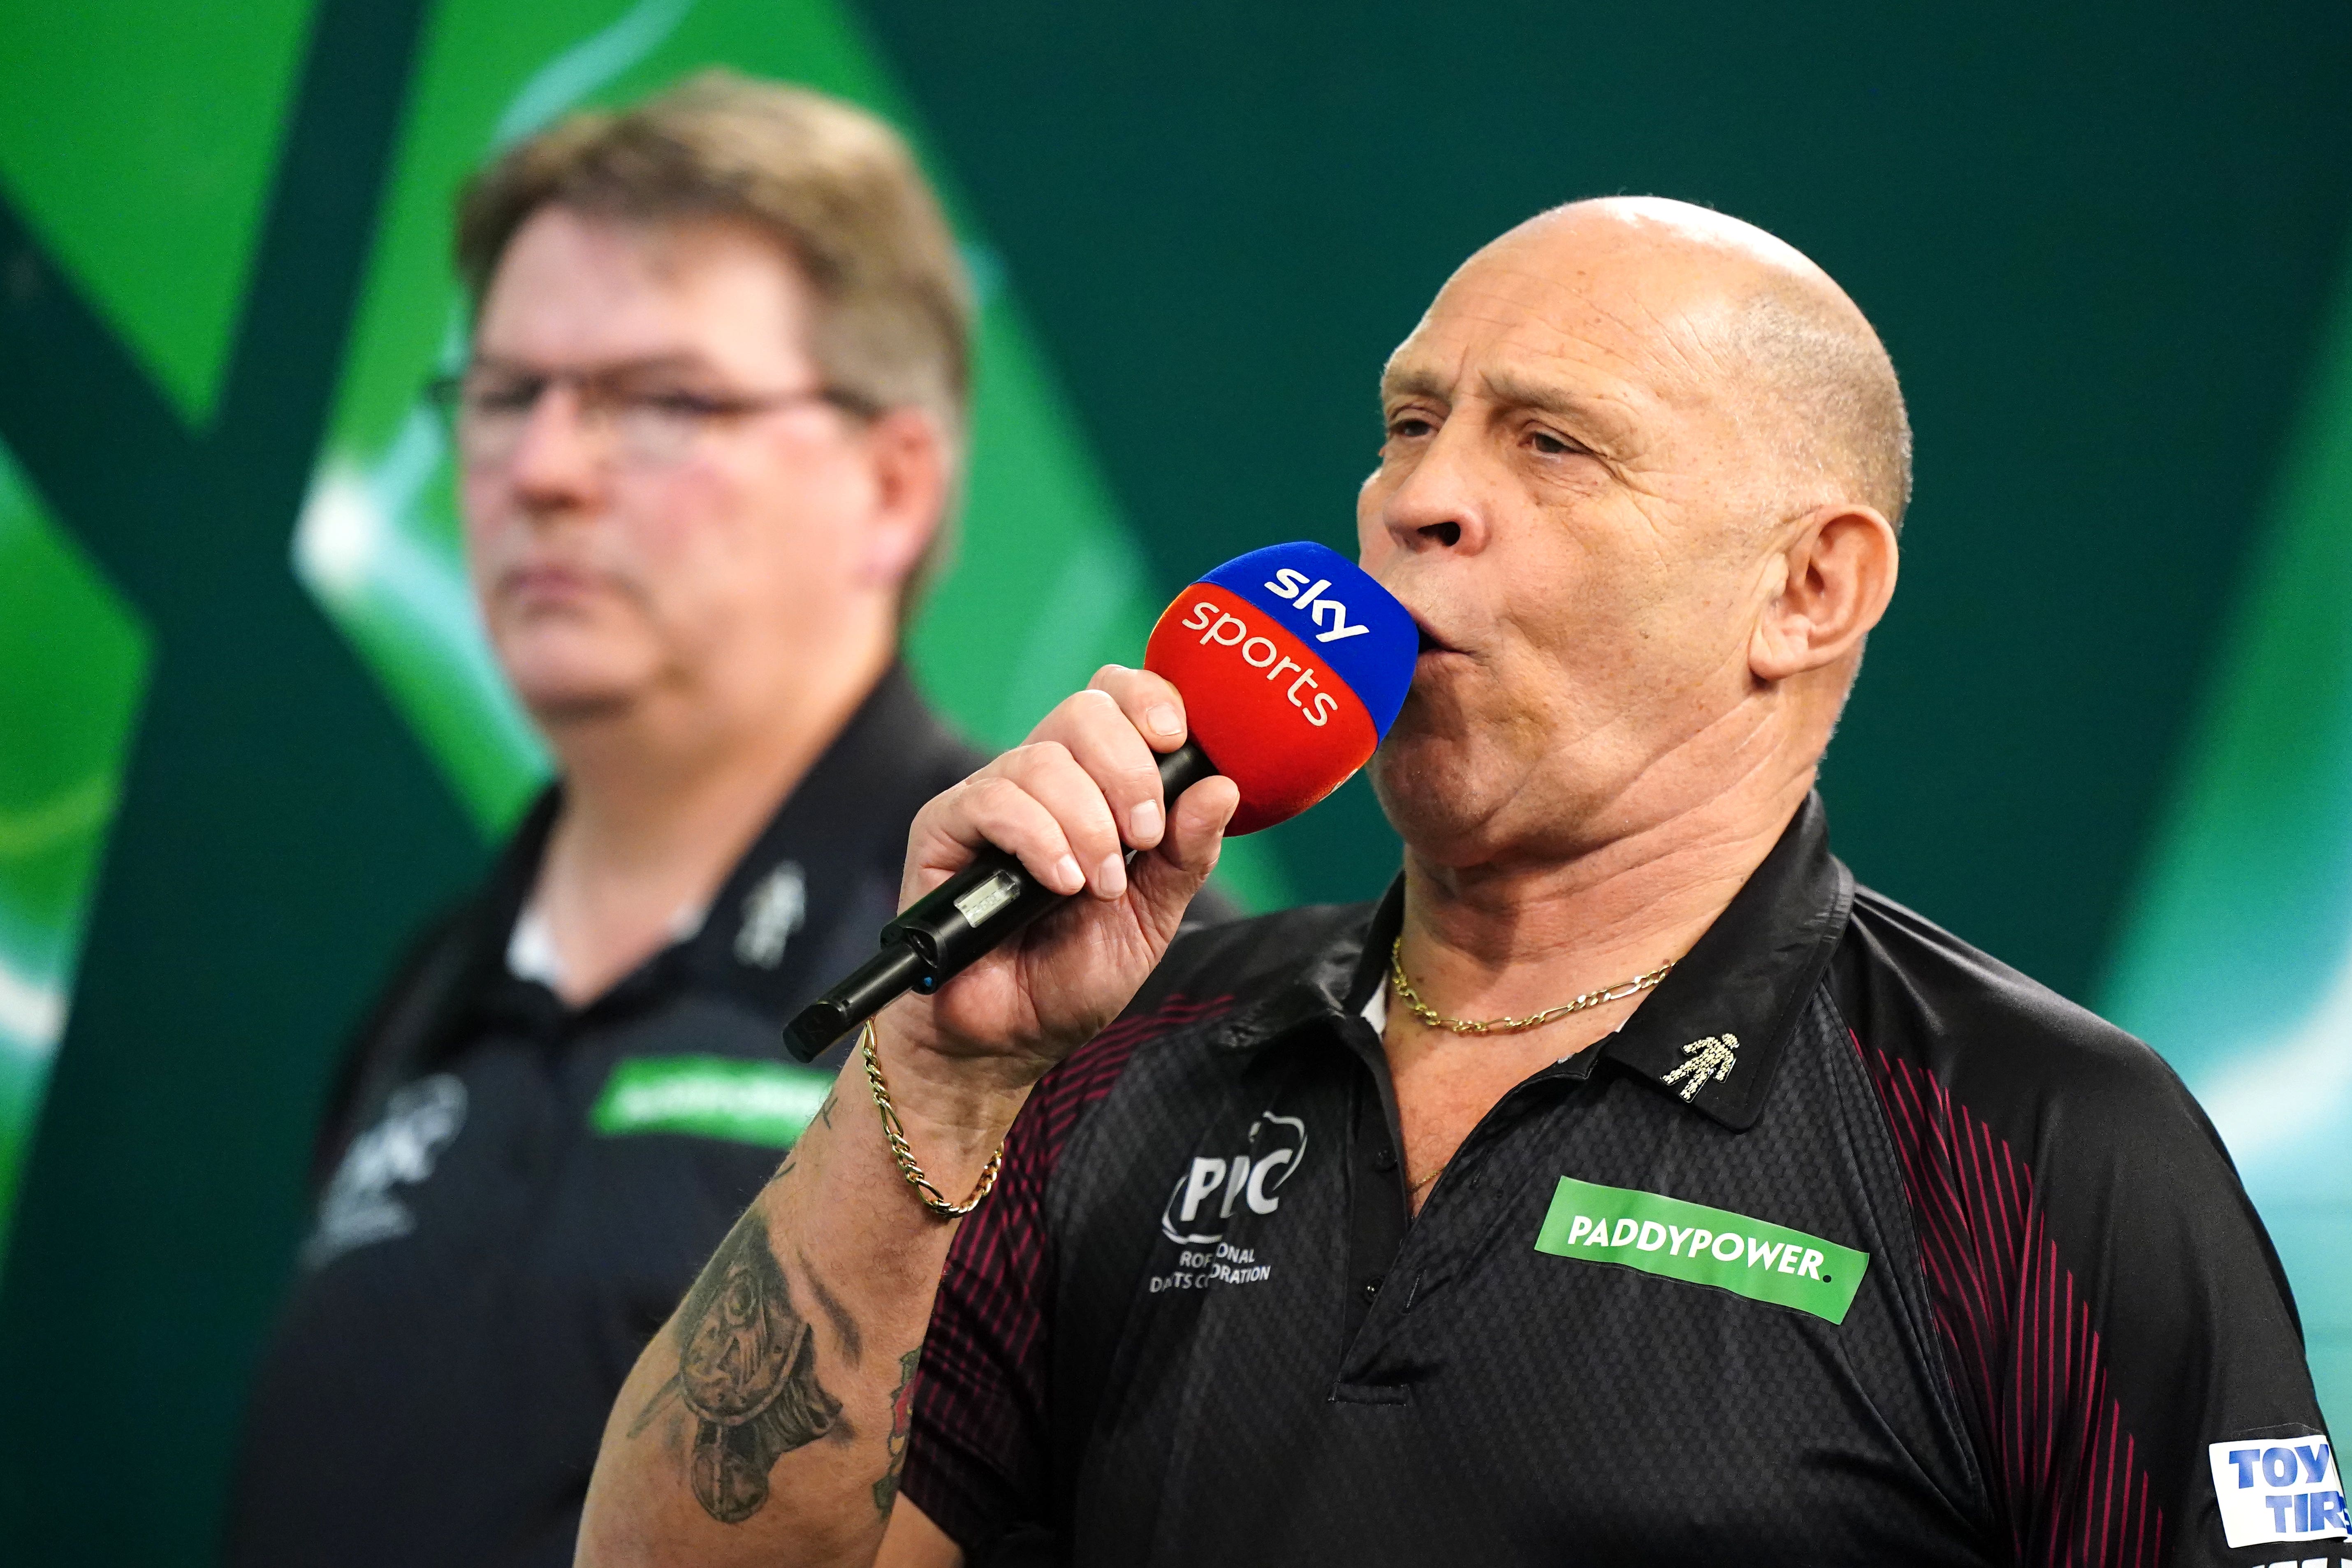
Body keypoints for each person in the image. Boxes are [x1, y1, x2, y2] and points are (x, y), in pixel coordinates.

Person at [576, 197, 2345, 1568]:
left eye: (1548, 444)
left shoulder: (2039, 1148)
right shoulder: (1109, 1066)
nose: (1420, 498)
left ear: (1807, 588)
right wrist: (944, 1084)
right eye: (1406, 423)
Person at [230, 72, 1002, 1568]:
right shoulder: (426, 992)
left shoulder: (1043, 959)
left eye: (659, 403)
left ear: (893, 486)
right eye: (506, 394)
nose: (543, 473)